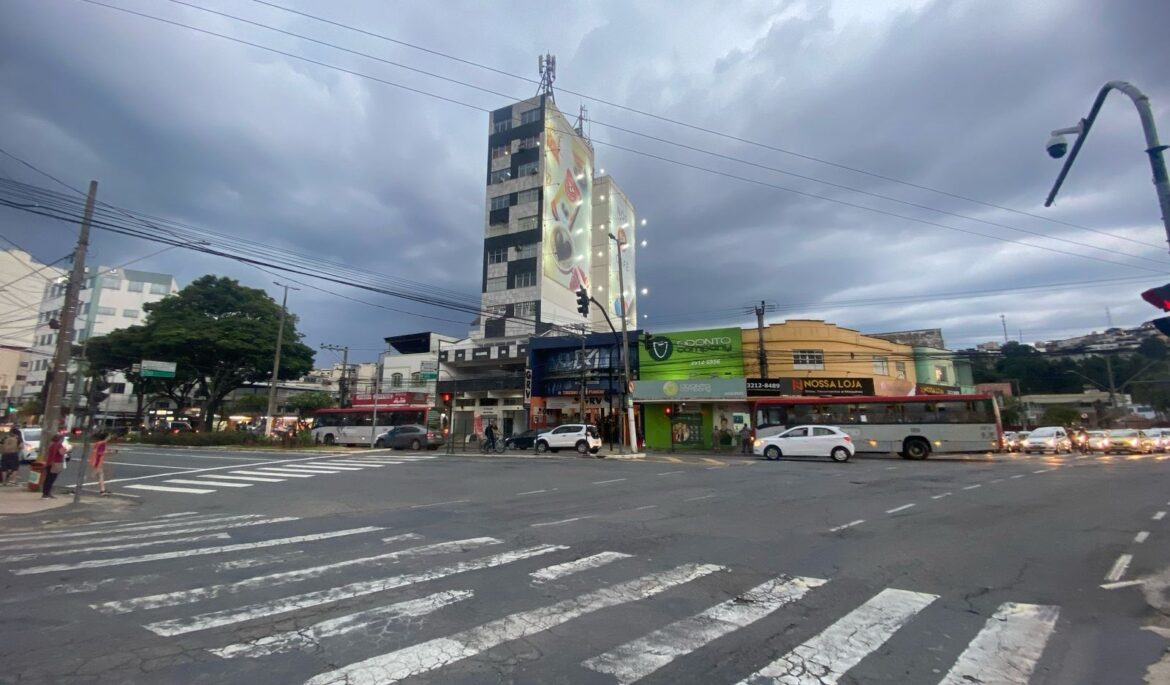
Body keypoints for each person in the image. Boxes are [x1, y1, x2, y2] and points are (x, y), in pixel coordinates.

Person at [42, 433, 67, 499]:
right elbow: (62, 453)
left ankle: (45, 493)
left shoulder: (51, 445)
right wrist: (66, 449)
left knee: (48, 478)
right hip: (55, 463)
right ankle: (46, 493)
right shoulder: (59, 445)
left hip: (49, 463)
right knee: (51, 479)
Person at [89, 432, 114, 496]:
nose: (110, 437)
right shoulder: (103, 443)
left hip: (95, 460)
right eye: (109, 436)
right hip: (97, 461)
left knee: (100, 474)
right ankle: (78, 486)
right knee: (92, 475)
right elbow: (100, 453)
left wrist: (108, 451)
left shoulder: (98, 443)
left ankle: (102, 490)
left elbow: (97, 451)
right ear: (106, 437)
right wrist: (110, 452)